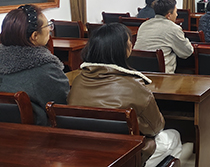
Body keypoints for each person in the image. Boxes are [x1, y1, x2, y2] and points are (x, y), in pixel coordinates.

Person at [68, 23, 183, 166]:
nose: (131, 44)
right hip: (127, 157)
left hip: (86, 153)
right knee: (174, 136)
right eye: (129, 41)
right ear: (122, 49)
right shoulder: (134, 85)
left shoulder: (78, 81)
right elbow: (155, 128)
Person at [0, 5, 69, 125]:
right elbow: (62, 108)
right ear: (35, 36)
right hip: (37, 133)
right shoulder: (46, 70)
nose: (50, 29)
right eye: (48, 25)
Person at [134, 0, 193, 73]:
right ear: (169, 15)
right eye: (175, 12)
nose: (177, 15)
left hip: (139, 71)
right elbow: (187, 52)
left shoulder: (144, 25)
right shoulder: (173, 28)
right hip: (162, 75)